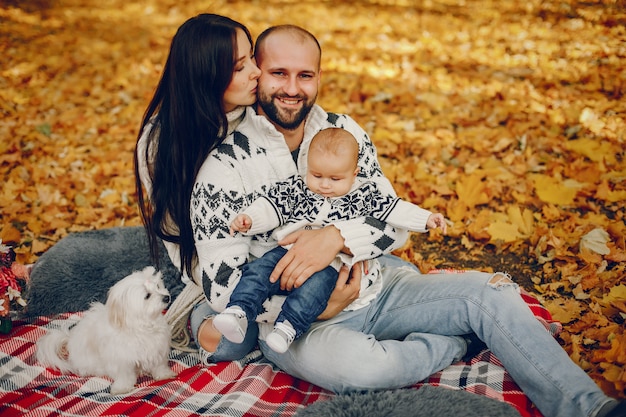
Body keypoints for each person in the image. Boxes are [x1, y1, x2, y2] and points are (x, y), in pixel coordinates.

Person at [134, 17, 623, 417]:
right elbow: (218, 274)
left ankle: (590, 409)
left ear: (320, 78)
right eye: (275, 73)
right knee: (357, 370)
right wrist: (306, 307)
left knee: (490, 296)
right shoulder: (221, 160)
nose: (291, 88)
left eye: (305, 75)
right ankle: (452, 343)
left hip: (374, 284)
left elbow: (388, 217)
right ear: (257, 75)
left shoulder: (343, 133)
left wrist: (335, 238)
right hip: (295, 320)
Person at [213, 127, 447, 353]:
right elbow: (272, 206)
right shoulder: (298, 188)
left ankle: (287, 328)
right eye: (317, 175)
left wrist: (426, 219)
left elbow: (394, 209)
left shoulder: (364, 194)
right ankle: (239, 310)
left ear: (354, 174)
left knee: (312, 292)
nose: (324, 185)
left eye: (335, 178)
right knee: (258, 270)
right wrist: (250, 219)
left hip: (333, 264)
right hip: (289, 252)